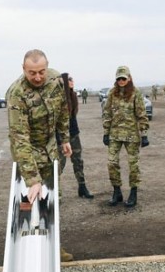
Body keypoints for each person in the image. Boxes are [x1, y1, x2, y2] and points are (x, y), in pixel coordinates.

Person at [6, 49, 74, 262]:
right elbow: (20, 138)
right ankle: (27, 251)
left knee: (53, 201)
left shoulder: (55, 81)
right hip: (30, 155)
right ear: (23, 69)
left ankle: (53, 247)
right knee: (27, 203)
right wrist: (33, 179)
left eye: (41, 72)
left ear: (47, 67)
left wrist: (64, 138)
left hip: (51, 150)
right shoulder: (17, 94)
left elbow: (63, 110)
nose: (37, 77)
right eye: (32, 73)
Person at [102, 66, 149, 208]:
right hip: (115, 134)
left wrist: (144, 134)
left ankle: (133, 193)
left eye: (123, 78)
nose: (121, 81)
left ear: (129, 78)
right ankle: (117, 191)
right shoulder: (112, 93)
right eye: (119, 78)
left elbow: (141, 114)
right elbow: (107, 114)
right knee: (111, 163)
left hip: (131, 135)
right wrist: (106, 132)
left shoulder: (135, 93)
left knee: (133, 165)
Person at [59, 75, 93, 199]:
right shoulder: (60, 97)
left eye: (72, 80)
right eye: (68, 80)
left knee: (78, 161)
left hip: (74, 133)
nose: (71, 82)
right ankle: (56, 194)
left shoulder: (73, 96)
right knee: (59, 165)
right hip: (62, 136)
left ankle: (82, 187)